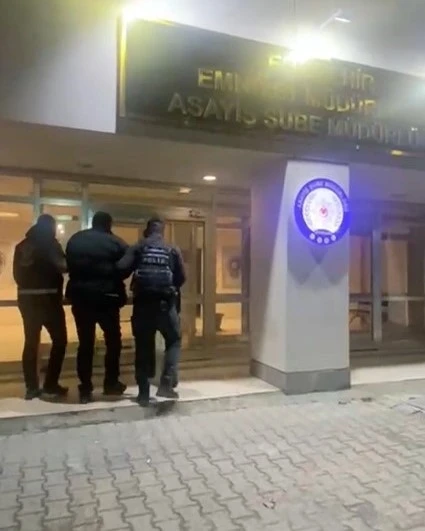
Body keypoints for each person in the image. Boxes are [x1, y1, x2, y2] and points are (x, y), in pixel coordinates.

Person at [117, 217, 186, 406]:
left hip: (143, 305)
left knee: (143, 345)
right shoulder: (172, 249)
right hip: (165, 305)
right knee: (174, 340)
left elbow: (121, 268)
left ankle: (143, 392)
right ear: (162, 231)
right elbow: (181, 277)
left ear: (147, 231)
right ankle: (166, 384)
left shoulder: (139, 247)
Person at [66, 211, 128, 404]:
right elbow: (126, 266)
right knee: (113, 341)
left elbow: (68, 264)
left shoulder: (75, 240)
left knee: (85, 343)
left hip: (81, 297)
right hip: (107, 297)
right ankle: (111, 383)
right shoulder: (116, 242)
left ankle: (85, 387)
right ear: (108, 224)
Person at [13, 214, 68, 400]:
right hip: (49, 299)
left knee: (31, 343)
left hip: (27, 299)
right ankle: (50, 384)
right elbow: (63, 265)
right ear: (50, 227)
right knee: (60, 341)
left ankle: (31, 387)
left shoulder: (22, 246)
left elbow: (17, 275)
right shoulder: (50, 245)